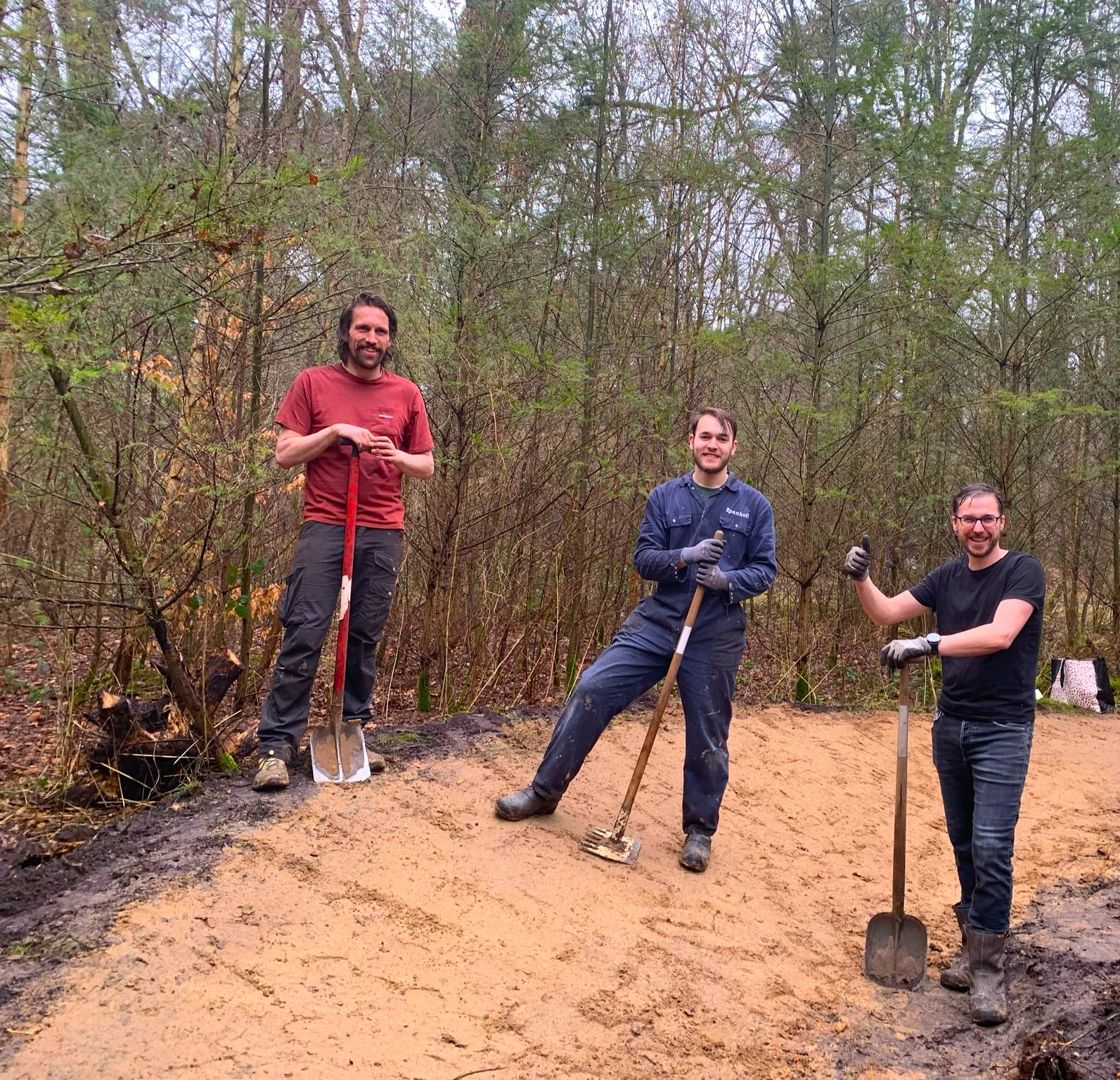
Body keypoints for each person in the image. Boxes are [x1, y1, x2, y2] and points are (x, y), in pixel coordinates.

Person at [495, 408, 776, 873]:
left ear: (733, 446)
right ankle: (544, 792)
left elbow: (765, 570)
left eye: (721, 438)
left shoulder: (754, 505)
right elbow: (644, 558)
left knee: (708, 729)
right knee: (592, 688)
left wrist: (727, 579)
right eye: (704, 436)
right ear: (690, 440)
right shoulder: (665, 498)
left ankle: (699, 831)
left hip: (715, 633)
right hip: (658, 620)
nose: (712, 445)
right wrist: (684, 556)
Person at [843, 483, 1044, 1025]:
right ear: (954, 523)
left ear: (1002, 522)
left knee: (991, 844)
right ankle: (971, 945)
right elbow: (886, 614)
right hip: (950, 727)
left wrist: (928, 643)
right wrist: (862, 579)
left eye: (987, 519)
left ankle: (988, 973)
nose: (978, 528)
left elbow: (1000, 636)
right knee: (963, 844)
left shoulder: (1024, 572)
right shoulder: (946, 577)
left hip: (1002, 728)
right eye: (968, 519)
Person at [252, 292, 435, 791]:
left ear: (389, 340)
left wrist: (394, 455)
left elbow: (426, 465)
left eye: (380, 331)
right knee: (306, 628)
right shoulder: (313, 382)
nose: (371, 338)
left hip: (382, 529)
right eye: (363, 329)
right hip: (327, 525)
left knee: (364, 635)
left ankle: (351, 730)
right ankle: (275, 745)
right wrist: (334, 432)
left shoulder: (406, 394)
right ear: (346, 333)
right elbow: (285, 453)